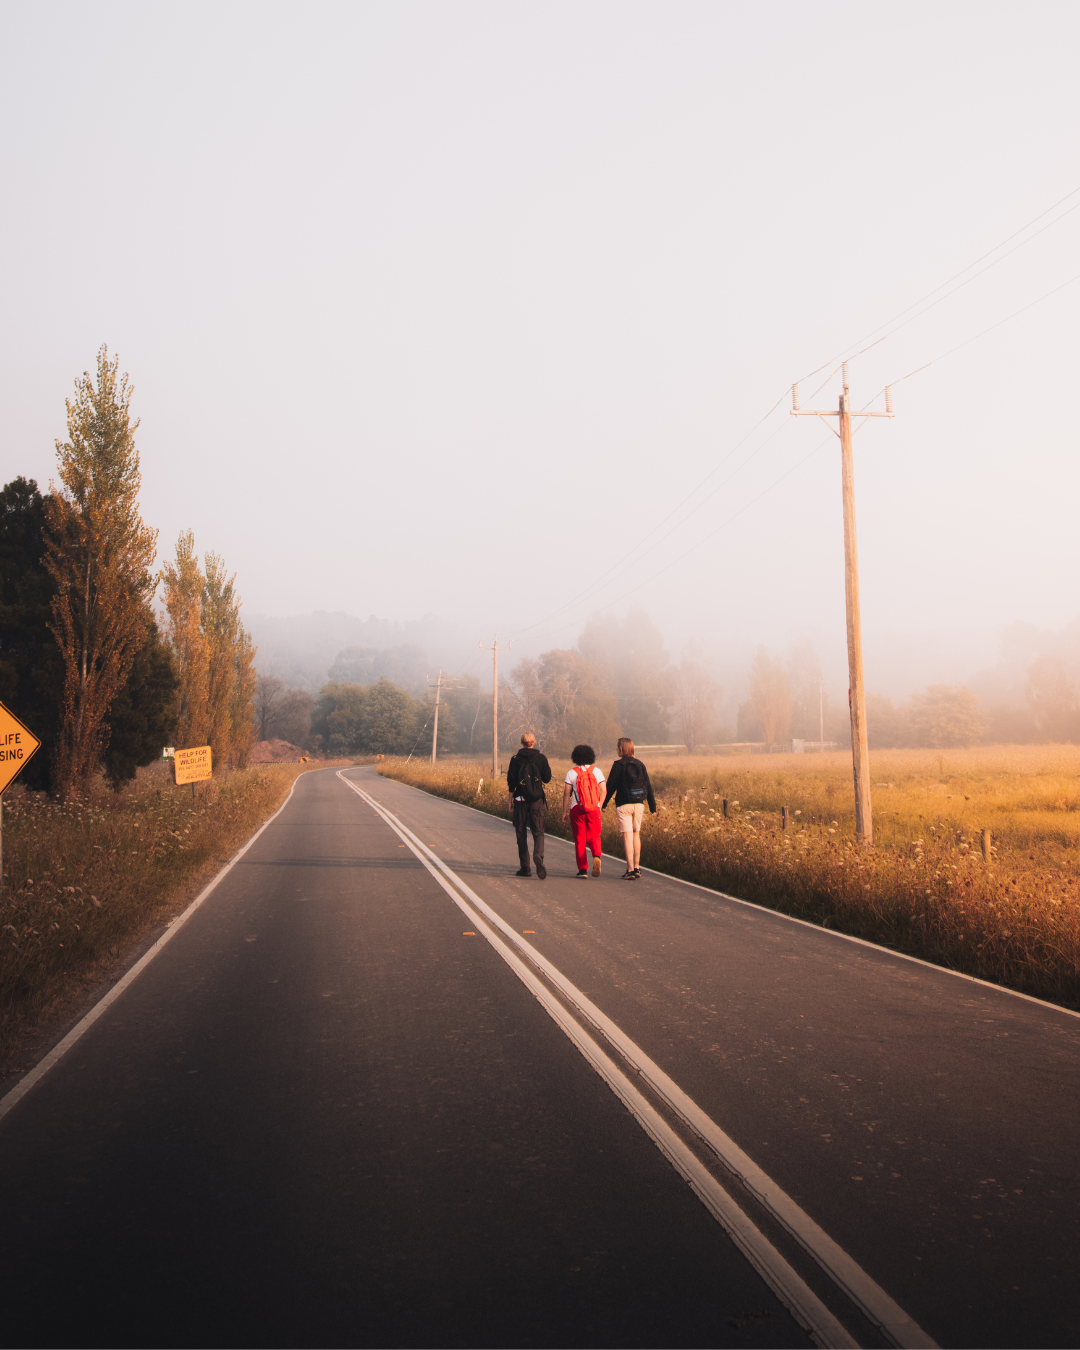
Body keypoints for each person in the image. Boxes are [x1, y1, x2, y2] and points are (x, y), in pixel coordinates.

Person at [602, 737, 656, 879]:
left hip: (624, 804)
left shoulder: (618, 765)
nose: (616, 749)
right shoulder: (640, 764)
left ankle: (630, 870)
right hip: (639, 804)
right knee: (636, 834)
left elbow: (610, 787)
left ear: (622, 749)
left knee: (627, 836)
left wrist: (603, 804)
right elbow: (648, 786)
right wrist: (653, 807)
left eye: (618, 747)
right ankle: (637, 868)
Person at [506, 732, 552, 878]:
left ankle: (525, 867)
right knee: (538, 831)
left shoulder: (515, 759)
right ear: (534, 742)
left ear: (522, 742)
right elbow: (547, 778)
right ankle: (538, 855)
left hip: (520, 800)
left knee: (521, 832)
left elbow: (511, 782)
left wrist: (510, 800)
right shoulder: (541, 758)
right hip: (536, 801)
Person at [561, 744, 605, 877]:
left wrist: (564, 812)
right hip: (594, 809)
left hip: (577, 809)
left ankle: (582, 870)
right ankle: (596, 855)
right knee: (594, 836)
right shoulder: (597, 771)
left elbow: (566, 793)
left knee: (580, 839)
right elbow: (604, 790)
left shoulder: (572, 773)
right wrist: (599, 806)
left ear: (575, 757)